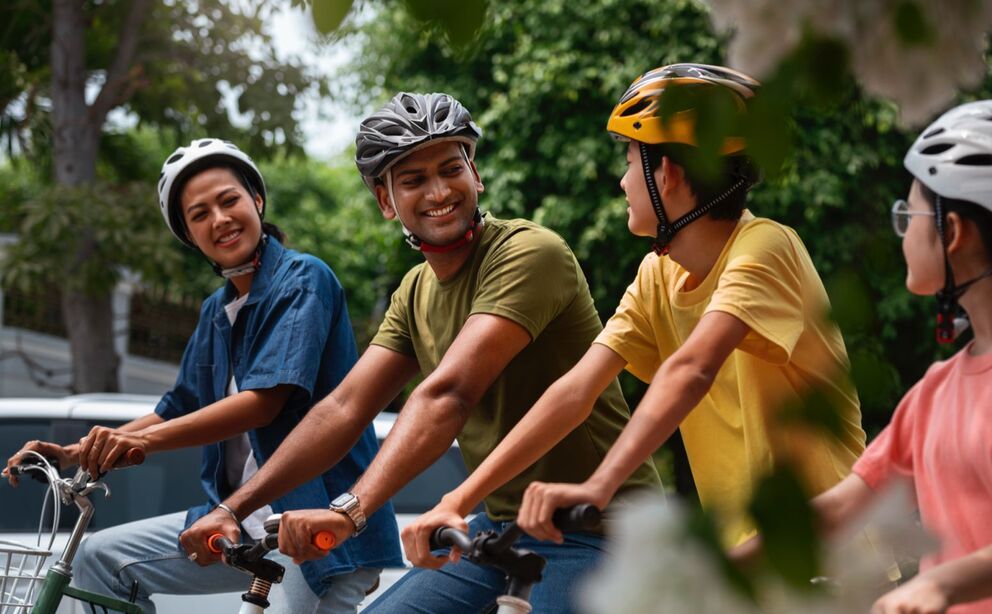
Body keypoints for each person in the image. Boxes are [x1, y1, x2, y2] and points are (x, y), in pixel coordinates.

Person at [178, 92, 663, 613]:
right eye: (412, 180)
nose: (439, 191)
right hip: (503, 526)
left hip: (602, 529)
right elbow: (343, 409)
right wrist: (234, 506)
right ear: (386, 201)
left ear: (474, 173)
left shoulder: (528, 252)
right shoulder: (414, 293)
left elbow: (449, 394)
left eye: (450, 168)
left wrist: (349, 512)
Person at [404, 64, 867, 554]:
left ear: (665, 173)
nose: (623, 182)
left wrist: (597, 486)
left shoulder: (766, 246)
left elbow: (691, 369)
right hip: (748, 562)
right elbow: (576, 392)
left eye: (629, 161)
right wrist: (457, 498)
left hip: (835, 558)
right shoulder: (657, 275)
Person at [3, 138, 403, 613]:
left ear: (256, 200)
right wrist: (74, 453)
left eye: (229, 200)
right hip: (240, 521)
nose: (220, 219)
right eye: (199, 214)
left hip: (312, 519)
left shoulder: (303, 280)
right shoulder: (216, 311)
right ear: (190, 236)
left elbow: (264, 401)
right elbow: (175, 409)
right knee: (100, 560)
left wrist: (144, 445)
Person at [739, 100, 992, 614]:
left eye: (908, 214)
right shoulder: (936, 391)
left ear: (953, 232)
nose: (903, 232)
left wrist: (943, 584)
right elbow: (845, 507)